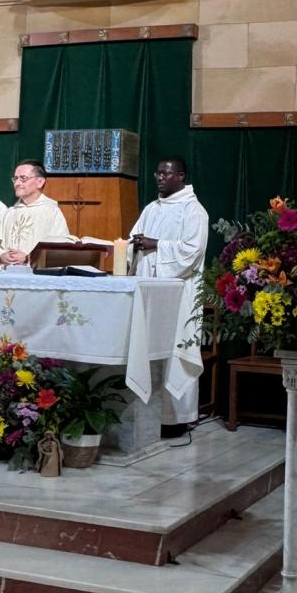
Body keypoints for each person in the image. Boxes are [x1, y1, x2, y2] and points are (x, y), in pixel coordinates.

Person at [130, 157, 208, 439]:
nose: (160, 177)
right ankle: (149, 415)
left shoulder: (194, 211)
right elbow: (133, 241)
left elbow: (191, 252)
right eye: (157, 172)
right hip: (149, 292)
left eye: (166, 173)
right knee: (148, 350)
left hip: (179, 293)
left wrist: (156, 245)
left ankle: (177, 418)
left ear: (181, 176)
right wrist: (135, 246)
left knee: (176, 353)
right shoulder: (151, 209)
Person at [0, 161, 71, 265]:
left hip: (37, 274)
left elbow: (60, 249)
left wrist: (28, 258)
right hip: (6, 273)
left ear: (40, 182)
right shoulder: (10, 212)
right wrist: (1, 256)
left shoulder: (51, 212)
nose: (17, 183)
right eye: (15, 178)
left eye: (23, 178)